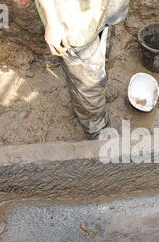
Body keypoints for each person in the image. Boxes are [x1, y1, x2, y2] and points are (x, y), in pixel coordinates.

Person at [14, 0, 129, 139]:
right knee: (87, 81)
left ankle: (100, 86)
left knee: (106, 34)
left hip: (105, 6)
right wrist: (52, 22)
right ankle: (95, 128)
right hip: (73, 13)